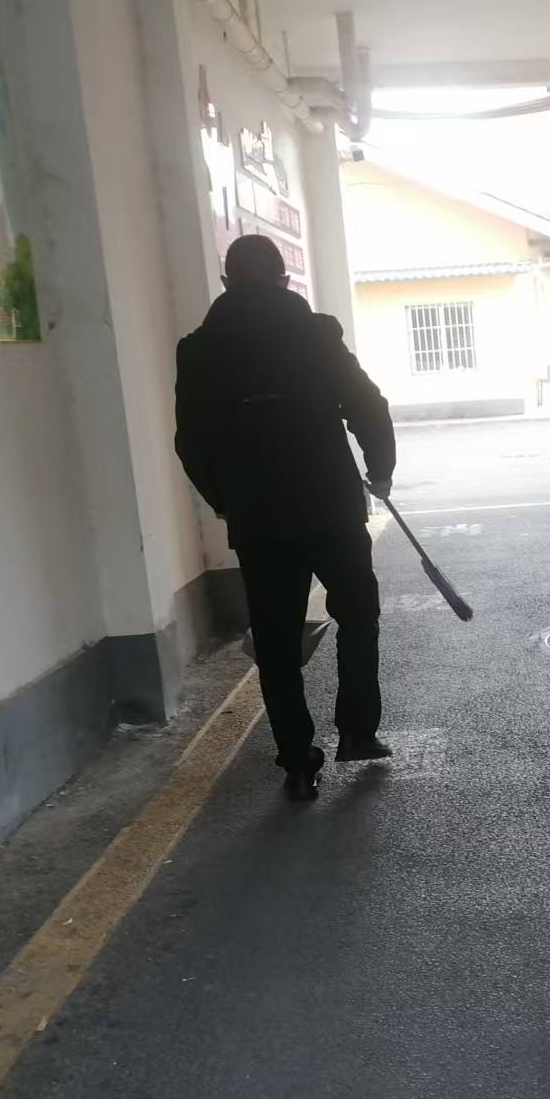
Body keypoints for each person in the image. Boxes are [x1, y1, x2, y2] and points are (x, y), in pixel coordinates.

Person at [175, 235, 396, 801]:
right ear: (284, 281)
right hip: (330, 506)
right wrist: (380, 470)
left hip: (259, 518)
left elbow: (190, 443)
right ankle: (357, 732)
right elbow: (368, 404)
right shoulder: (317, 334)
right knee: (357, 615)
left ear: (226, 283)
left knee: (276, 640)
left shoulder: (198, 350)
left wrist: (225, 499)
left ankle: (297, 760)